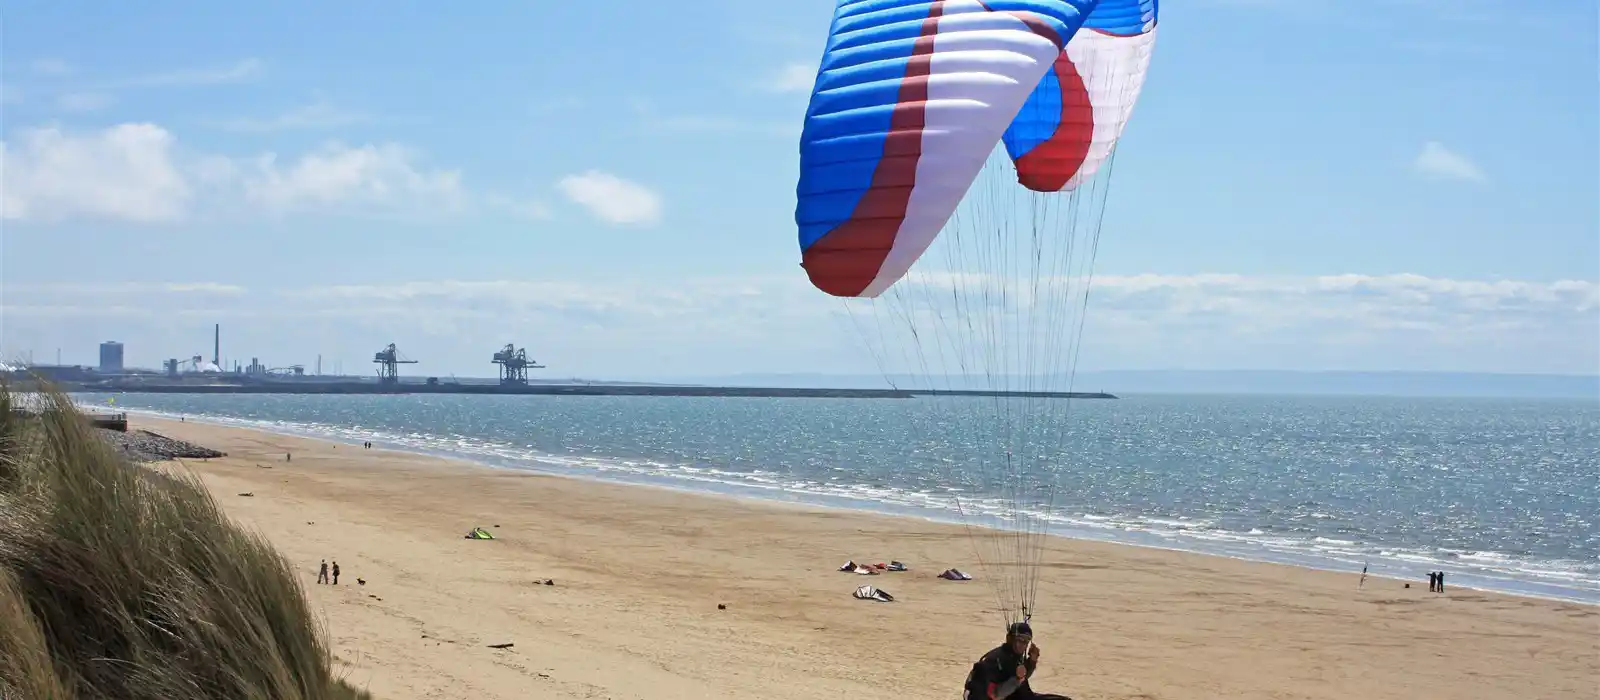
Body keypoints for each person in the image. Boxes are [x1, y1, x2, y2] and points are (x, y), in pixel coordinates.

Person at [963, 622, 1071, 700]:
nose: (1023, 645)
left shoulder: (1013, 656)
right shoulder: (994, 661)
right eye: (1019, 640)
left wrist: (1032, 662)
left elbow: (1021, 678)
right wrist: (1018, 679)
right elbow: (996, 694)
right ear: (1009, 639)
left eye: (1026, 642)